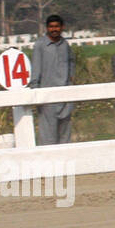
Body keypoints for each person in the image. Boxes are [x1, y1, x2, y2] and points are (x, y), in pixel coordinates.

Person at [30, 14, 76, 145]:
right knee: (48, 138)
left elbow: (71, 62)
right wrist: (36, 93)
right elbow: (36, 70)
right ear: (47, 28)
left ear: (62, 27)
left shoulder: (65, 45)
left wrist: (70, 81)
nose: (54, 29)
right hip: (47, 99)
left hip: (65, 98)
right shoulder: (40, 45)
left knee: (65, 137)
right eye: (51, 27)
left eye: (56, 26)